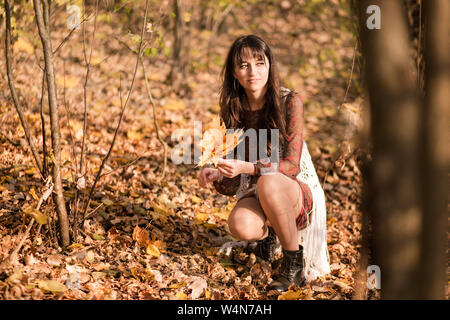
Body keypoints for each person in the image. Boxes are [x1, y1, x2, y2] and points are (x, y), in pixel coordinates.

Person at [198, 35, 330, 292]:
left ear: (270, 65)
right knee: (240, 225)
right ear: (234, 73)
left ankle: (294, 264)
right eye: (244, 65)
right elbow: (231, 185)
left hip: (297, 190)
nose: (253, 71)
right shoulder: (233, 108)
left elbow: (291, 165)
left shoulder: (289, 101)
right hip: (259, 190)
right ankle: (269, 238)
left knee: (269, 181)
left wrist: (247, 168)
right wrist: (218, 172)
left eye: (260, 63)